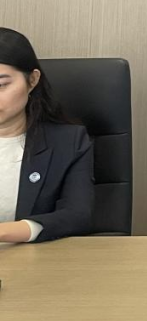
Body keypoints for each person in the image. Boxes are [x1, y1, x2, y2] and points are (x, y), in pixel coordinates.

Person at [0, 27, 93, 243]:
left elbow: (77, 215)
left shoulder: (68, 142)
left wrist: (5, 232)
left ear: (32, 80)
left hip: (36, 259)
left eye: (1, 85)